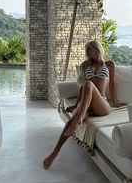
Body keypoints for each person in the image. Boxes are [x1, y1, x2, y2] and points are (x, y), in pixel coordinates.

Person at [43, 40, 123, 170]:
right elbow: (83, 88)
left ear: (98, 50)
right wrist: (76, 106)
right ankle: (54, 152)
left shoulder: (109, 64)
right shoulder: (85, 66)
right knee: (75, 115)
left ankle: (78, 120)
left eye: (90, 50)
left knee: (88, 85)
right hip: (88, 104)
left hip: (101, 104)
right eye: (87, 51)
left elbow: (112, 84)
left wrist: (114, 101)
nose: (88, 53)